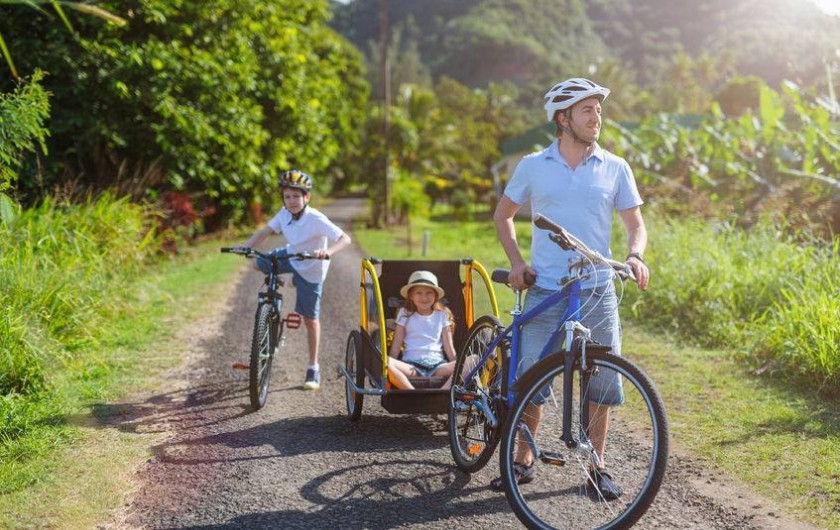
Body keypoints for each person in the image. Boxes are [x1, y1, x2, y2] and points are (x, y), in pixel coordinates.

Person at [491, 78, 650, 498]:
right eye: (587, 110)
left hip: (598, 289)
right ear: (563, 119)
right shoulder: (533, 165)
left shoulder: (616, 167)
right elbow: (503, 215)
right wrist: (517, 262)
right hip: (546, 288)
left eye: (598, 109)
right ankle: (523, 457)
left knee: (603, 382)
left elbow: (635, 224)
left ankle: (597, 466)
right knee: (530, 378)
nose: (597, 117)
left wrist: (635, 255)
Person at [240, 169, 351, 390]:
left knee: (310, 320)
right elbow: (264, 232)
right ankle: (282, 281)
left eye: (296, 196)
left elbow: (344, 238)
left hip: (311, 268)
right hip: (291, 256)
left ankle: (313, 367)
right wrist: (246, 246)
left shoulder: (315, 218)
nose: (291, 201)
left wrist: (328, 252)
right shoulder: (284, 214)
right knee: (257, 263)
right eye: (287, 196)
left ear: (306, 197)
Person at [386, 271, 457, 390]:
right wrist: (390, 365)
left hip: (438, 366)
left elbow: (449, 348)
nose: (424, 297)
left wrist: (458, 366)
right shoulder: (404, 314)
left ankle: (444, 391)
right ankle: (410, 391)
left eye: (429, 293)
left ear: (435, 296)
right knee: (384, 361)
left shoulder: (442, 315)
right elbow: (396, 345)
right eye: (419, 293)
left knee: (473, 361)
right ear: (411, 296)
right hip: (412, 366)